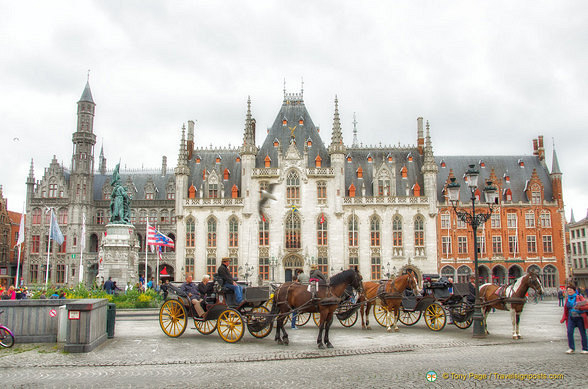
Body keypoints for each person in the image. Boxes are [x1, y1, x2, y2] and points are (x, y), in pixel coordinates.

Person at [560, 285, 588, 354]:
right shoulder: (567, 299)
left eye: (570, 290)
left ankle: (585, 348)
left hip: (580, 317)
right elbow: (566, 309)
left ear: (574, 291)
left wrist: (580, 308)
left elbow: (586, 305)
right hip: (571, 318)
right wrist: (564, 318)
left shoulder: (579, 297)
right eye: (568, 290)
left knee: (583, 333)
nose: (569, 291)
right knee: (569, 332)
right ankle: (571, 348)